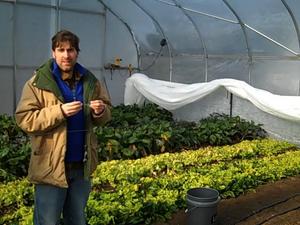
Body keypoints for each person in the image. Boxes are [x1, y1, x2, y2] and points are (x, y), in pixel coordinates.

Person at [15, 30, 111, 225]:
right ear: (53, 52)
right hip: (50, 166)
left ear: (77, 52)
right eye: (61, 50)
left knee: (77, 218)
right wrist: (59, 112)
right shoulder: (38, 83)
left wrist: (100, 111)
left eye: (71, 50)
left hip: (81, 164)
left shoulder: (90, 81)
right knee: (47, 221)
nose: (66, 55)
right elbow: (25, 118)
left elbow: (106, 111)